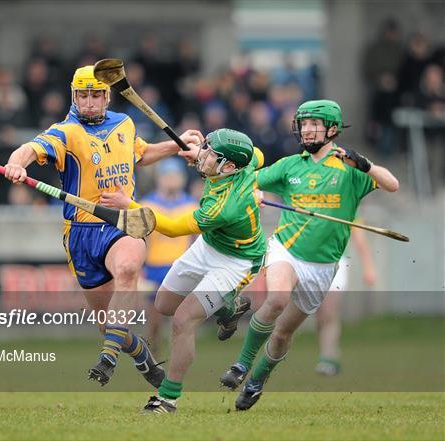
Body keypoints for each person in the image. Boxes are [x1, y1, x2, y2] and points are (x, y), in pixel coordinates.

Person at [3, 65, 202, 388]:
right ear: (75, 96)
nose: (90, 102)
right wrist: (15, 163)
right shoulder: (64, 132)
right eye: (83, 96)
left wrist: (178, 147)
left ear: (107, 96)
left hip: (122, 220)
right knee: (106, 322)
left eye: (96, 95)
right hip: (81, 234)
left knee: (126, 268)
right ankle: (140, 354)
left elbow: (141, 153)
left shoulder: (124, 123)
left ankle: (108, 356)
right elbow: (29, 149)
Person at [219, 99, 399, 411]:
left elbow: (392, 185)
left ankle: (257, 380)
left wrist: (365, 164)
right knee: (275, 300)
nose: (306, 129)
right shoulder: (290, 165)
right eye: (303, 123)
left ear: (332, 129)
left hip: (323, 265)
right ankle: (241, 365)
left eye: (313, 123)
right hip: (286, 249)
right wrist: (254, 192)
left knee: (283, 334)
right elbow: (246, 181)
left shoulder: (350, 168)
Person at [101, 128, 266, 414]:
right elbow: (258, 155)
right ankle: (229, 308)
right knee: (163, 304)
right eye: (205, 148)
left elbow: (174, 229)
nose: (201, 156)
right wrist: (203, 156)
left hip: (237, 261)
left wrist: (130, 205)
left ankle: (167, 399)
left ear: (228, 167)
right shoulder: (245, 161)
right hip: (208, 247)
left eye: (210, 154)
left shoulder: (224, 208)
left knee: (183, 319)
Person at [140, 158, 198, 355]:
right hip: (154, 267)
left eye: (176, 176)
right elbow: (140, 239)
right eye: (167, 176)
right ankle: (153, 349)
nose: (172, 180)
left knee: (182, 316)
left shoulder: (192, 205)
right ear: (159, 178)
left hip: (181, 266)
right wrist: (140, 267)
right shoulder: (146, 205)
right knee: (154, 316)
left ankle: (180, 350)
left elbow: (197, 240)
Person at [315, 226, 376, 376]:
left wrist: (368, 267)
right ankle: (327, 351)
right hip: (308, 261)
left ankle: (328, 357)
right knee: (319, 313)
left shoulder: (346, 202)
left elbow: (359, 236)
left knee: (329, 311)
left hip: (336, 261)